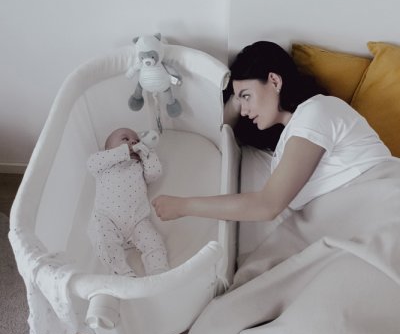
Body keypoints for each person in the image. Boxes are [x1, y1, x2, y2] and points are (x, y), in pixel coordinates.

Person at [152, 41, 392, 223]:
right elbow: (220, 132)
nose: (244, 110)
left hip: (382, 203)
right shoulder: (288, 141)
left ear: (275, 81)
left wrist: (183, 207)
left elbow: (267, 205)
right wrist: (236, 100)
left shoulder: (315, 111)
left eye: (247, 96)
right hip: (354, 216)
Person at [87, 127, 169, 277]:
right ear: (108, 149)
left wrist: (147, 152)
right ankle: (123, 275)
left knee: (154, 241)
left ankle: (158, 273)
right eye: (125, 139)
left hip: (137, 220)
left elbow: (154, 174)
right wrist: (123, 151)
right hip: (108, 218)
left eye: (136, 140)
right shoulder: (104, 164)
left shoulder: (138, 166)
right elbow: (91, 163)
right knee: (103, 240)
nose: (133, 142)